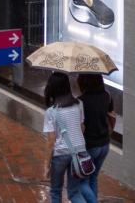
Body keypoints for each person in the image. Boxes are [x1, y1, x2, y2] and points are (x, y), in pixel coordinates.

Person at [43, 72, 97, 203]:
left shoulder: (51, 111)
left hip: (60, 155)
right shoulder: (79, 104)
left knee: (56, 191)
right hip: (79, 153)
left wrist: (46, 165)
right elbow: (82, 128)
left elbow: (51, 141)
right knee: (74, 192)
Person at [77, 73, 113, 200]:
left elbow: (80, 127)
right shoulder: (107, 95)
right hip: (104, 146)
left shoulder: (81, 101)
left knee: (81, 182)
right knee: (93, 178)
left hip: (89, 148)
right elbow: (111, 115)